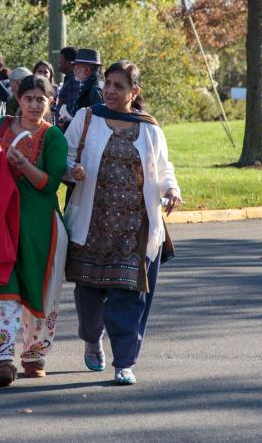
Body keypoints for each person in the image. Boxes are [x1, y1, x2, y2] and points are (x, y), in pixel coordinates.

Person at [64, 60, 181, 386]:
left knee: (129, 295)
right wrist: (70, 169)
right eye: (108, 84)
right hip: (91, 225)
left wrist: (171, 189)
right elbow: (66, 154)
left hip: (134, 228)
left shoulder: (149, 128)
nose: (111, 91)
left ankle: (125, 362)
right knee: (88, 295)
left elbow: (163, 167)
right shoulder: (87, 118)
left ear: (134, 92)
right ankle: (91, 338)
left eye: (119, 86)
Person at [0, 75, 70, 386]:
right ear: (18, 98)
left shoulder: (53, 137)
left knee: (41, 290)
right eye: (28, 98)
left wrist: (23, 165)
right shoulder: (0, 125)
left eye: (41, 99)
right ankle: (1, 357)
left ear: (50, 102)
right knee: (2, 287)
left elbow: (49, 184)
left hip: (40, 226)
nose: (33, 104)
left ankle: (34, 354)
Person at [55, 46, 80, 129]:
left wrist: (61, 125)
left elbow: (72, 111)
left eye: (61, 59)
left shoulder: (74, 81)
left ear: (69, 62)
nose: (58, 61)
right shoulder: (70, 79)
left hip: (67, 131)